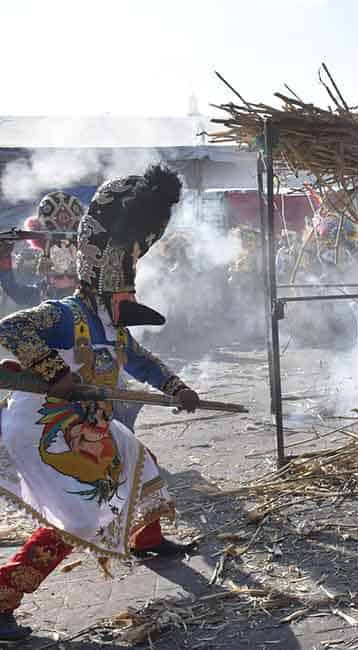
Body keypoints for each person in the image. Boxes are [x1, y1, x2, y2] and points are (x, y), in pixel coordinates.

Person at [0, 165, 200, 641]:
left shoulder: (113, 327)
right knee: (76, 521)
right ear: (103, 288)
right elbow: (8, 329)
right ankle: (2, 594)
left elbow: (141, 360)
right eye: (122, 292)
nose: (127, 299)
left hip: (88, 424)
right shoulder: (65, 314)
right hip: (46, 426)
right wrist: (59, 376)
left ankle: (145, 540)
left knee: (142, 463)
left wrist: (176, 388)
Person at [0, 191, 84, 306]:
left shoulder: (88, 298)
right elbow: (13, 289)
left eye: (70, 275)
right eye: (58, 275)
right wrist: (4, 256)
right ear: (48, 274)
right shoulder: (39, 293)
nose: (65, 279)